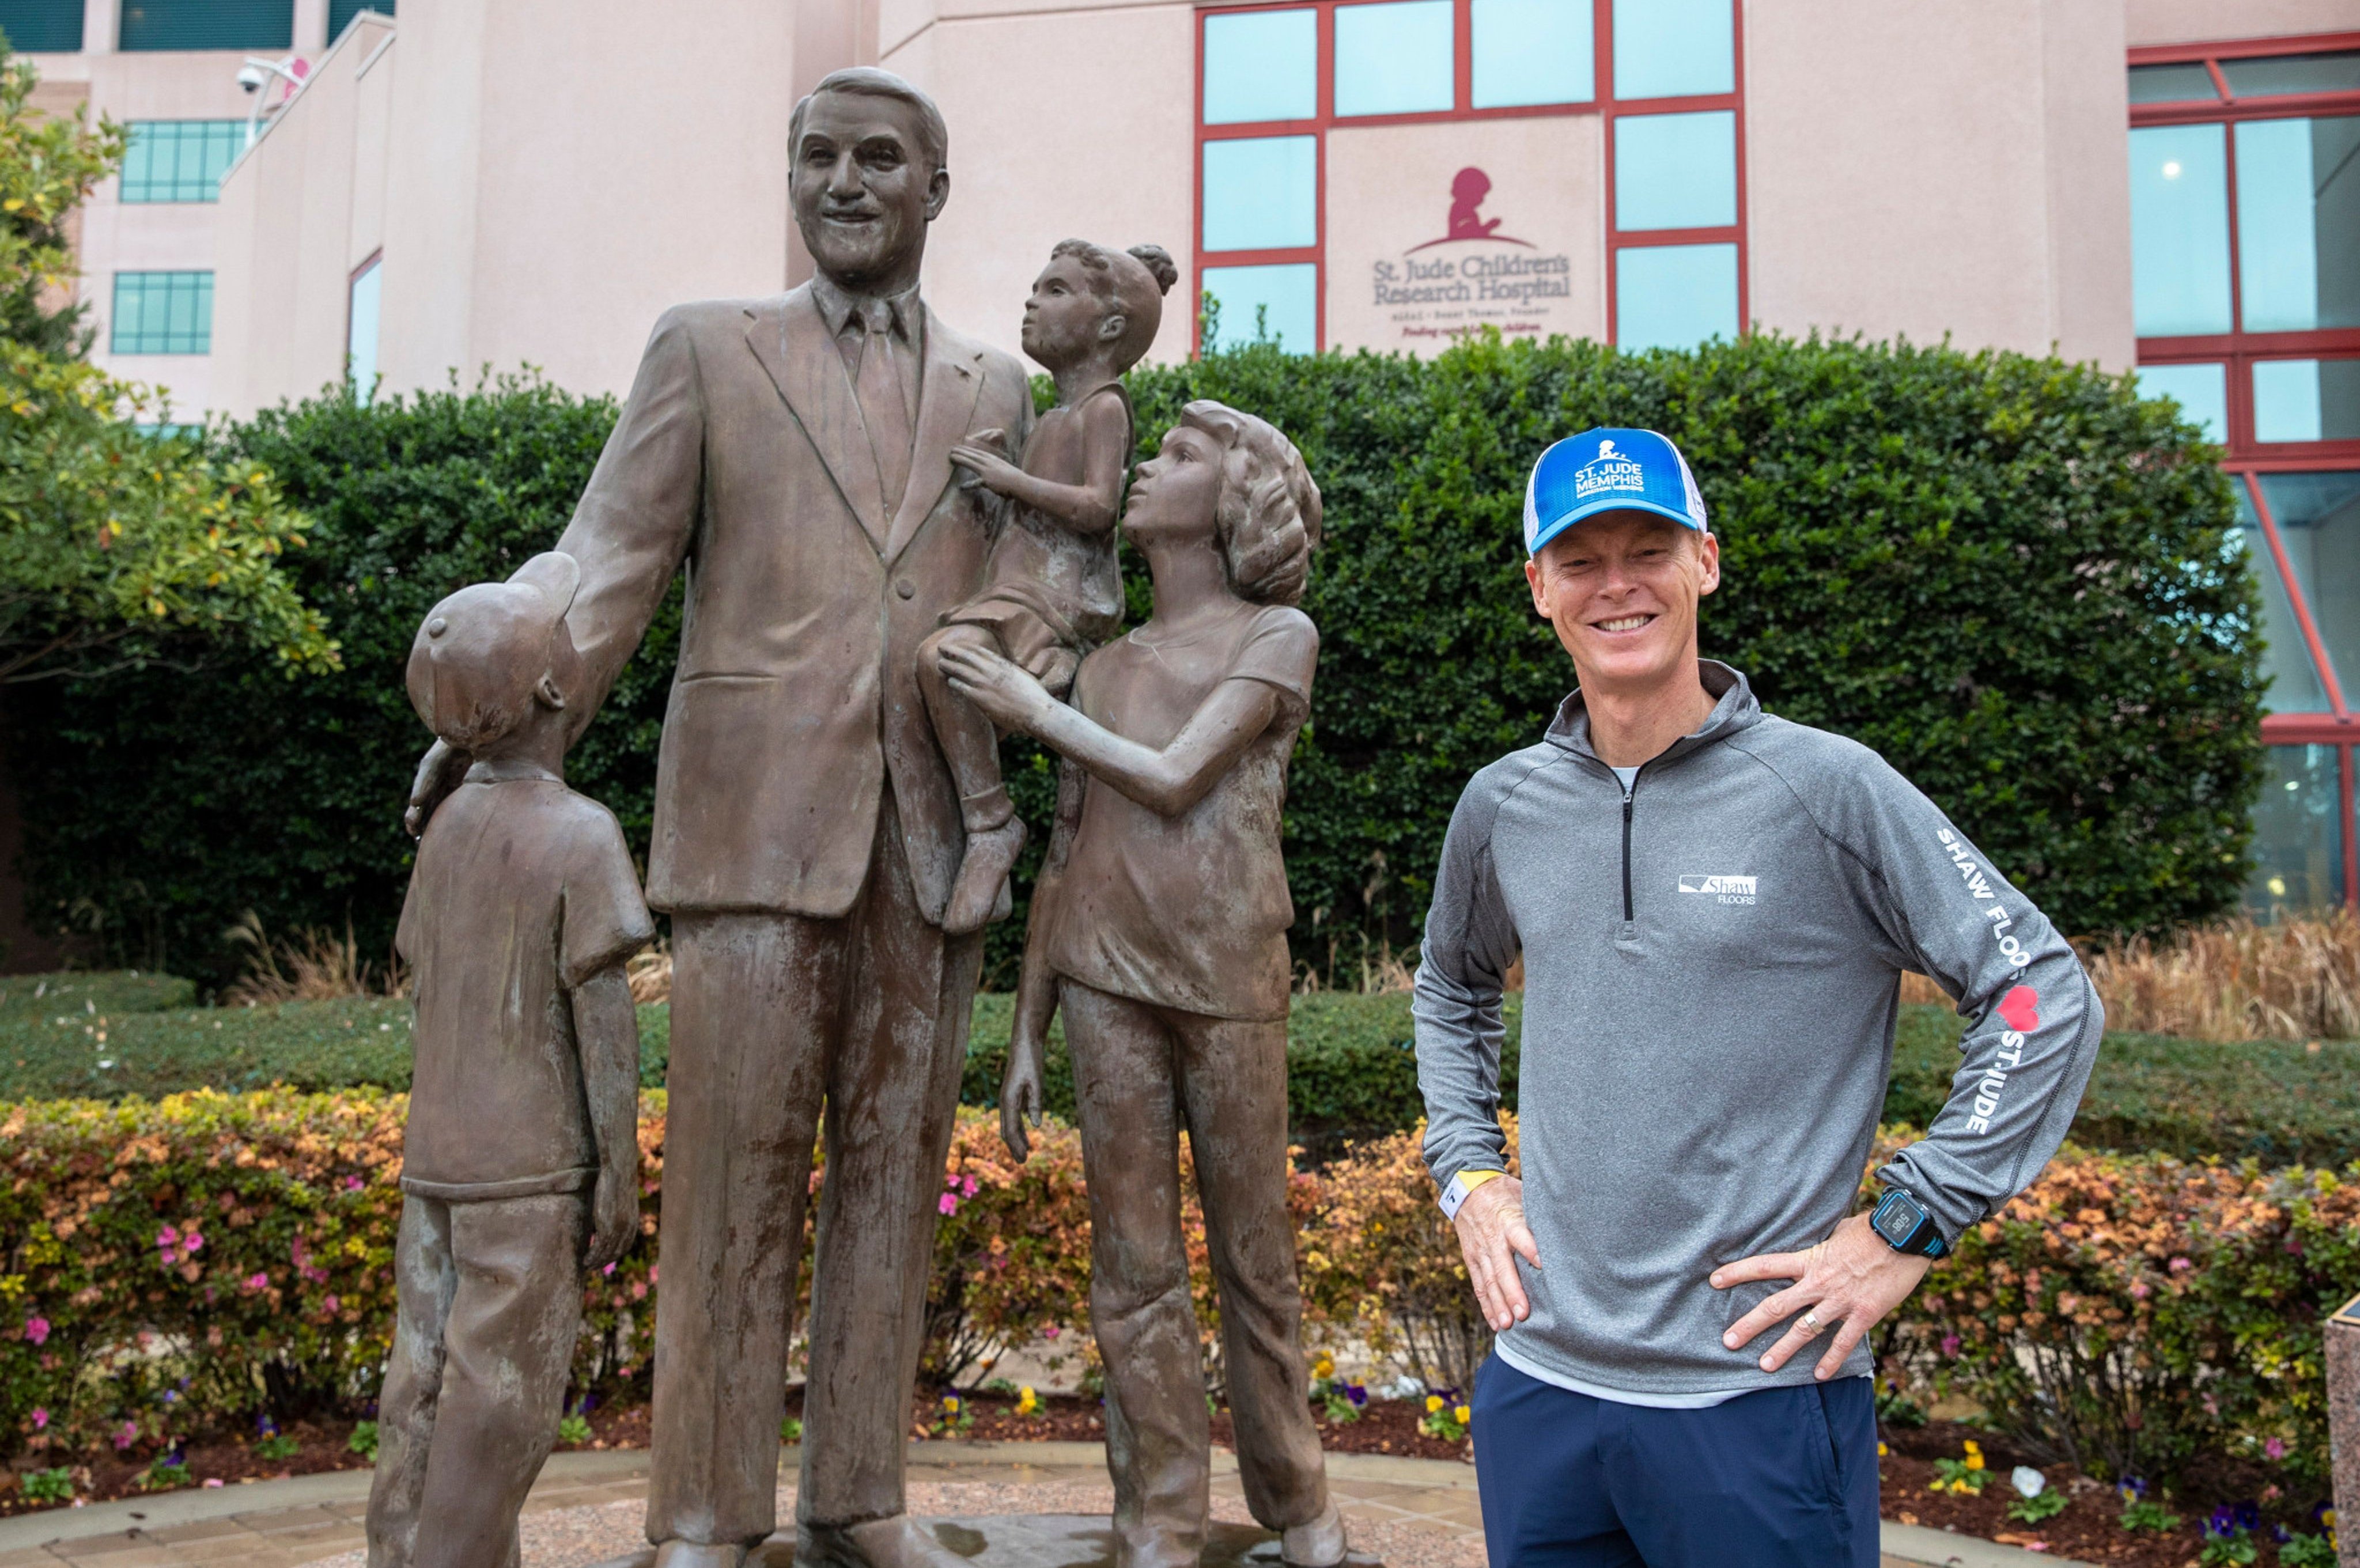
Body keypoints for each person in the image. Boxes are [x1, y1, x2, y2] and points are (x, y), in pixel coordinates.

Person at [402, 67, 1033, 1568]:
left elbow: (1027, 590)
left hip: (928, 831)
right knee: (737, 1177)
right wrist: (489, 704)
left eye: (880, 158)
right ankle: (705, 1514)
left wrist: (1006, 661)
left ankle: (858, 1496)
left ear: (936, 189)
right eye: (815, 156)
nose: (844, 182)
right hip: (750, 824)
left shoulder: (999, 392)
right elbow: (602, 561)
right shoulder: (708, 351)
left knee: (895, 1160)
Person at [1413, 428, 2104, 1566]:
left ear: (1707, 563)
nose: (1616, 582)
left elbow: (2033, 990)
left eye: (1649, 547)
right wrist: (1467, 1171)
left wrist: (1913, 1219)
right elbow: (1450, 984)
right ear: (1537, 588)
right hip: (1539, 1383)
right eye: (1579, 560)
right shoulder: (1503, 804)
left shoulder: (1826, 787)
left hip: (1756, 1398)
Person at [940, 402, 1348, 1568]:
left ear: (1231, 499)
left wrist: (1031, 711)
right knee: (1130, 1262)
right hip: (1101, 975)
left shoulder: (1275, 636)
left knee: (1252, 1251)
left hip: (1224, 972)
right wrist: (1026, 1023)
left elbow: (1173, 777)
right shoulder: (1105, 664)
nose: (1146, 470)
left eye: (1176, 457)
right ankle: (1158, 1506)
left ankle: (1296, 1498)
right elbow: (1067, 849)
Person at [369, 551, 652, 1568]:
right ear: (554, 688)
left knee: (421, 1386)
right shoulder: (583, 834)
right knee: (505, 1406)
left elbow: (421, 975)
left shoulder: (445, 829)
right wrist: (618, 1167)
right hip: (530, 1166)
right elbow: (605, 1021)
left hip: (438, 1154)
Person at [919, 237, 1179, 935]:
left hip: (1056, 597)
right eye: (1036, 286)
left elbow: (1098, 510)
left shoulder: (1104, 409)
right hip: (1017, 584)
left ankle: (991, 821)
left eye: (1057, 289)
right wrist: (1006, 479)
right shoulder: (1051, 415)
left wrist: (1008, 479)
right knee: (941, 666)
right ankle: (1037, 701)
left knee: (939, 662)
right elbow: (1038, 509)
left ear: (1111, 326)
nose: (1033, 299)